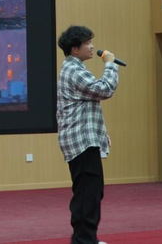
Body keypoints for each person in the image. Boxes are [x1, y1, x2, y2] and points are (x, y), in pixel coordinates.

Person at [56, 25, 119, 244]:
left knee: (91, 191)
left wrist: (100, 135)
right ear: (75, 48)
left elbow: (87, 104)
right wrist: (110, 64)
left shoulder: (75, 68)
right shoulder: (74, 70)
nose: (92, 47)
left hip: (85, 139)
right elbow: (104, 89)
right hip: (80, 142)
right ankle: (83, 241)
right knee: (87, 193)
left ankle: (86, 238)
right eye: (87, 43)